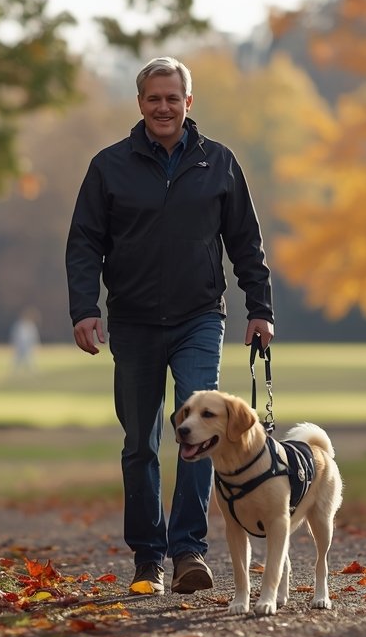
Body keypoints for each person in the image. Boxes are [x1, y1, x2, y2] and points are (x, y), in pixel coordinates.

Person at [65, 56, 275, 595]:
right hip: (132, 322)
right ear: (140, 103)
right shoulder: (108, 166)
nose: (163, 106)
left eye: (172, 97)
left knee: (203, 428)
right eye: (153, 98)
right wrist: (84, 307)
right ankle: (147, 557)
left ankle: (187, 552)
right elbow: (85, 242)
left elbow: (246, 243)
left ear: (189, 102)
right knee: (140, 440)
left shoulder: (219, 163)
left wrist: (260, 309)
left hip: (200, 317)